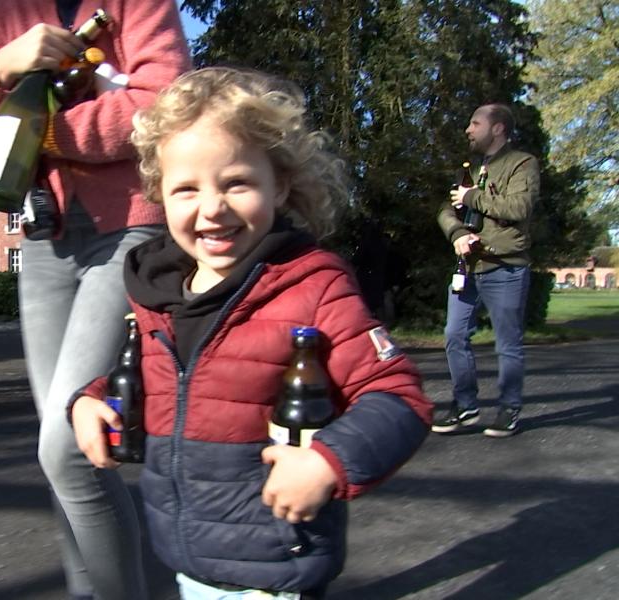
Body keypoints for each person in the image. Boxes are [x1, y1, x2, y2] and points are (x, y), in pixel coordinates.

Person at [70, 67, 433, 599]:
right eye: (186, 189)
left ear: (279, 184)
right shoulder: (160, 292)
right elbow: (153, 376)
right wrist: (90, 400)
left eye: (236, 183)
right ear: (159, 196)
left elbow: (398, 398)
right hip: (188, 557)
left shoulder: (312, 285)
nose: (212, 208)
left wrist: (328, 460)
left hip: (275, 562)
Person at [0, 2, 190, 599]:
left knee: (67, 451)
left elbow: (164, 107)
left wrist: (43, 132)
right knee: (63, 453)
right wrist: (2, 66)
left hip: (129, 229)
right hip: (44, 239)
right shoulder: (7, 11)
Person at [433, 103, 540, 438]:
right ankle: (465, 405)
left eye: (475, 123)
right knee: (454, 335)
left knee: (507, 344)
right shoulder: (469, 169)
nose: (468, 129)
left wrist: (473, 197)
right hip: (467, 267)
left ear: (497, 128)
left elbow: (519, 207)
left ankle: (509, 409)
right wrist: (457, 233)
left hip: (504, 267)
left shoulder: (522, 163)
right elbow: (446, 209)